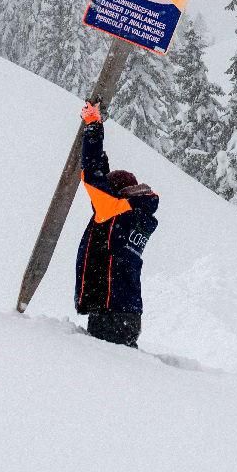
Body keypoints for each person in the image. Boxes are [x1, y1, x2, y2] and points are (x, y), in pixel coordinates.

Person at [74, 100, 159, 348]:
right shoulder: (133, 212)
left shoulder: (114, 210)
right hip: (129, 311)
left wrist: (93, 127)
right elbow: (102, 178)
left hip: (110, 312)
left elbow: (92, 173)